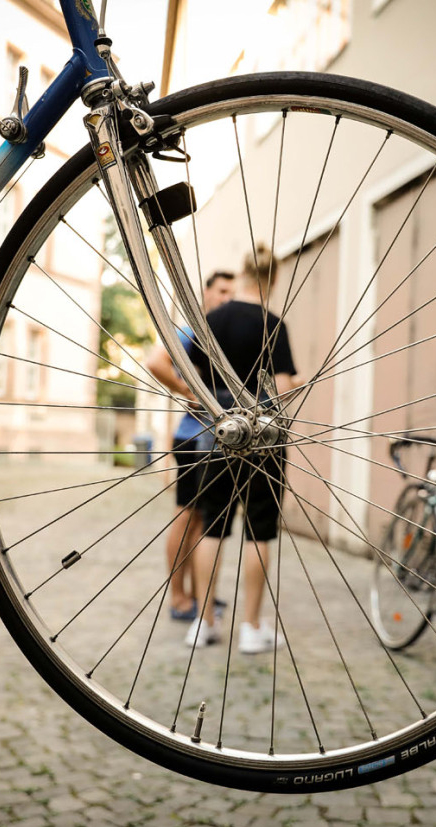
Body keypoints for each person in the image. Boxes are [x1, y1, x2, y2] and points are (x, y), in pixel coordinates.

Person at [184, 243, 303, 654]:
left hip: (219, 429)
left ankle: (202, 622)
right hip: (265, 433)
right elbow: (282, 389)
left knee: (211, 525)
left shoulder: (213, 319)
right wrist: (294, 383)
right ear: (273, 279)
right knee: (259, 531)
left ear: (243, 274)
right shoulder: (274, 324)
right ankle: (251, 628)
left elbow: (194, 373)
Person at [145, 271, 235, 620]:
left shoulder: (220, 336)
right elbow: (156, 362)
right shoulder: (193, 332)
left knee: (202, 520)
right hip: (191, 438)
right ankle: (179, 597)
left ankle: (201, 595)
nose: (227, 298)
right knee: (185, 517)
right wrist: (188, 391)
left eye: (231, 292)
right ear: (205, 294)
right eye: (221, 291)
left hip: (214, 441)